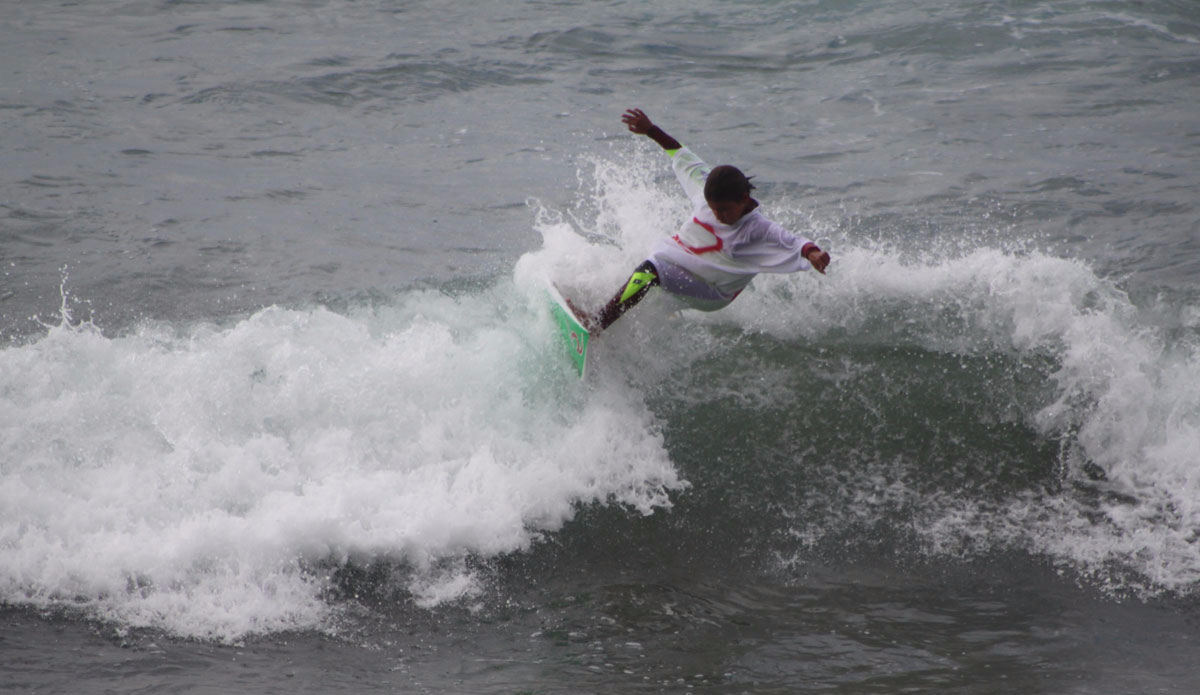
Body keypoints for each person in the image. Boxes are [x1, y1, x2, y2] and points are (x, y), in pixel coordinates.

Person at [577, 108, 831, 332]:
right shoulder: (705, 186)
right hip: (688, 266)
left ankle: (597, 325)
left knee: (650, 270)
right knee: (651, 269)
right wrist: (650, 130)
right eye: (713, 209)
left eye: (724, 210)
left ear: (744, 199)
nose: (718, 215)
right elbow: (680, 152)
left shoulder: (757, 228)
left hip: (714, 291)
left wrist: (814, 254)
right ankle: (617, 313)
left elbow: (794, 242)